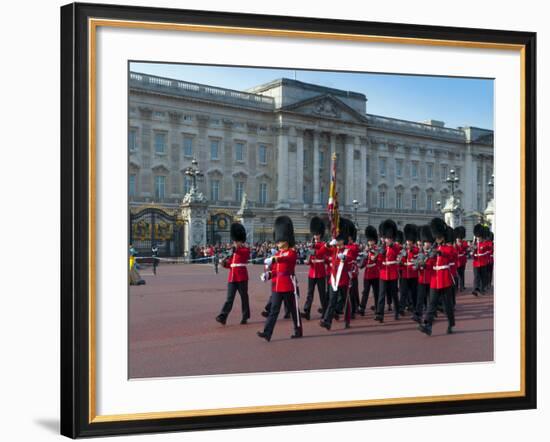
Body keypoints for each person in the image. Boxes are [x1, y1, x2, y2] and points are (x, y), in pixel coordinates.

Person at [257, 216, 302, 342]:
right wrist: (268, 275)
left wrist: (274, 259)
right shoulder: (277, 254)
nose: (278, 243)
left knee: (293, 310)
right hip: (277, 286)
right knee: (273, 310)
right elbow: (276, 271)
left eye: (280, 241)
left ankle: (298, 330)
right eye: (277, 241)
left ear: (286, 240)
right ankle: (267, 333)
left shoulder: (291, 252)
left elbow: (287, 259)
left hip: (288, 285)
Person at [417, 218, 456, 335]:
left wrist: (440, 253)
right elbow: (430, 263)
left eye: (439, 237)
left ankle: (451, 323)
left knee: (447, 304)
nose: (437, 239)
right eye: (436, 237)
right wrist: (424, 264)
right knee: (432, 303)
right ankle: (427, 325)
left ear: (443, 237)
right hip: (435, 279)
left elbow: (452, 256)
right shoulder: (434, 249)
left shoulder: (449, 248)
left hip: (445, 279)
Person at [320, 218, 355, 330]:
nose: (337, 241)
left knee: (346, 301)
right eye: (337, 239)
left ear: (343, 240)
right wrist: (327, 245)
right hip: (333, 280)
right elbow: (320, 253)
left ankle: (347, 320)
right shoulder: (333, 249)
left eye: (339, 239)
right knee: (332, 301)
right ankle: (327, 321)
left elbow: (350, 258)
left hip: (343, 280)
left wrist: (344, 257)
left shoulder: (347, 250)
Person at [215, 223, 250, 325]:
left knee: (244, 297)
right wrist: (223, 263)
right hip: (232, 277)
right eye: (234, 241)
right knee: (229, 298)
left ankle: (245, 316)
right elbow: (231, 265)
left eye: (236, 241)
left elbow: (242, 254)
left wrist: (235, 250)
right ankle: (223, 316)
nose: (234, 243)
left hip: (242, 276)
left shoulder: (245, 249)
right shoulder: (234, 251)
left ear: (240, 241)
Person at [302, 216, 329, 320]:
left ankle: (325, 311)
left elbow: (322, 252)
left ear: (320, 234)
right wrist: (307, 261)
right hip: (312, 272)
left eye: (317, 234)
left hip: (321, 272)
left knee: (322, 294)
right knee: (310, 293)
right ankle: (307, 311)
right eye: (314, 234)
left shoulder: (323, 244)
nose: (316, 236)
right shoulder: (311, 245)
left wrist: (314, 249)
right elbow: (309, 258)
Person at [375, 219, 401, 322]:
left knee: (394, 294)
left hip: (393, 274)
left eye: (389, 238)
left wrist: (391, 248)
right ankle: (380, 314)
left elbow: (398, 255)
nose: (388, 240)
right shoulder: (382, 248)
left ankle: (397, 312)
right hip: (383, 274)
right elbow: (379, 262)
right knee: (382, 294)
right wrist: (379, 255)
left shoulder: (396, 247)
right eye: (386, 238)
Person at [412, 225, 435, 322]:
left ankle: (431, 315)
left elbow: (433, 265)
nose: (426, 244)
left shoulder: (433, 253)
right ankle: (418, 314)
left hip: (430, 279)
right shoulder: (420, 253)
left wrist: (425, 265)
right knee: (420, 298)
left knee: (430, 299)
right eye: (425, 242)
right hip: (421, 279)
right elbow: (415, 264)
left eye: (428, 242)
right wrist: (416, 266)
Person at [358, 225, 381, 316]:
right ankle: (362, 307)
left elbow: (379, 262)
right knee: (365, 291)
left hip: (375, 274)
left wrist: (374, 256)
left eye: (371, 241)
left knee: (376, 292)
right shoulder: (366, 250)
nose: (370, 242)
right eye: (369, 241)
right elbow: (362, 264)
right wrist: (363, 260)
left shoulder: (377, 250)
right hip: (367, 274)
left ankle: (377, 307)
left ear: (374, 241)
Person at [400, 224, 419, 312]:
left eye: (410, 241)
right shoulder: (403, 250)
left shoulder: (416, 250)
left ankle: (414, 306)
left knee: (414, 292)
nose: (409, 242)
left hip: (413, 274)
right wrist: (401, 261)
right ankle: (402, 308)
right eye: (407, 241)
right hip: (405, 274)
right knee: (403, 292)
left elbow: (417, 260)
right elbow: (401, 261)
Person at [472, 223, 490, 296]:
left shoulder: (485, 244)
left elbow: (487, 251)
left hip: (483, 263)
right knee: (476, 276)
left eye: (479, 237)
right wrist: (473, 249)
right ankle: (475, 289)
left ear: (482, 237)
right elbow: (472, 254)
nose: (478, 238)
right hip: (476, 263)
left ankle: (482, 289)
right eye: (477, 237)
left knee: (483, 277)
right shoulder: (475, 244)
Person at [454, 226, 468, 291]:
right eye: (457, 237)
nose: (458, 238)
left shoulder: (464, 243)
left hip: (462, 260)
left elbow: (465, 248)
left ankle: (462, 286)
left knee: (462, 274)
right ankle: (456, 286)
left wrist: (461, 245)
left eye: (459, 237)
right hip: (456, 261)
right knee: (456, 274)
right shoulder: (454, 244)